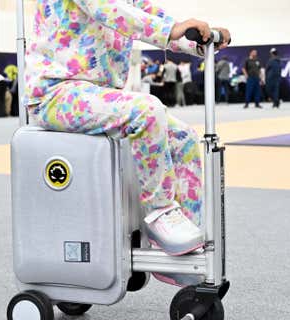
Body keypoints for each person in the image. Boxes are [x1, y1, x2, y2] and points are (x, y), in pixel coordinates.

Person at [26, 0, 230, 286]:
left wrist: (194, 40)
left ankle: (182, 244)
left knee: (183, 138)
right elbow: (108, 11)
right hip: (56, 92)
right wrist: (172, 30)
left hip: (98, 93)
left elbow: (148, 15)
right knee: (147, 111)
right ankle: (161, 212)